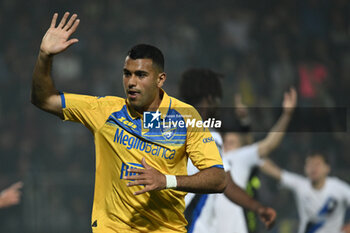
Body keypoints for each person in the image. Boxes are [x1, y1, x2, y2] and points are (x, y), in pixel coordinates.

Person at [31, 13, 226, 233]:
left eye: (141, 75)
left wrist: (166, 180)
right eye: (127, 74)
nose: (131, 82)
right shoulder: (105, 111)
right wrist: (45, 56)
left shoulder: (185, 116)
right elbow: (44, 99)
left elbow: (218, 179)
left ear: (160, 79)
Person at [179, 69, 276, 233]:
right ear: (209, 99)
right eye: (217, 99)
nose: (218, 104)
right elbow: (226, 184)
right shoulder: (208, 135)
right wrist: (259, 208)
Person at [212, 87, 297, 233]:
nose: (227, 145)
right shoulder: (211, 157)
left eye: (232, 142)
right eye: (226, 142)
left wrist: (286, 115)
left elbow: (270, 143)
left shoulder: (241, 156)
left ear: (241, 146)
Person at [261, 153, 350, 233]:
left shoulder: (338, 188)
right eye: (309, 164)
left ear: (327, 168)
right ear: (305, 168)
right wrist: (254, 155)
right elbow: (275, 172)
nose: (313, 168)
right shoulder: (301, 185)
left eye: (317, 164)